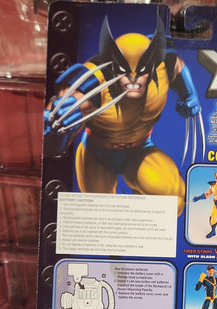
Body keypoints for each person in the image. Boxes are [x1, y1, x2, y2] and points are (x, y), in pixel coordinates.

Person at [43, 17, 201, 215]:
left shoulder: (163, 65)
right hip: (97, 155)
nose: (133, 80)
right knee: (98, 215)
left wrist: (189, 94)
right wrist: (56, 128)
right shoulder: (94, 80)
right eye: (124, 70)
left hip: (140, 150)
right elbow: (56, 128)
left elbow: (176, 65)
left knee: (173, 199)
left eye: (141, 70)